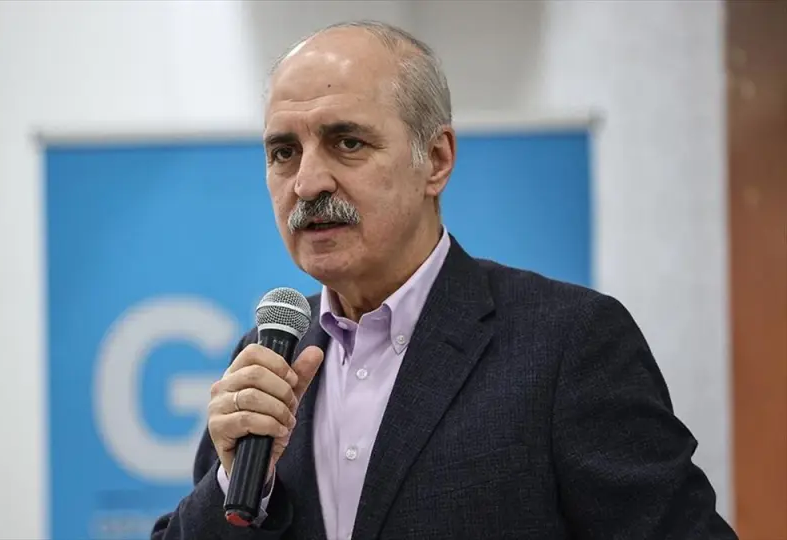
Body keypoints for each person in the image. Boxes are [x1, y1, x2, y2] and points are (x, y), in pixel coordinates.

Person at [151, 20, 737, 540]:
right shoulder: (265, 356)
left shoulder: (567, 343)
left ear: (435, 160)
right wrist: (235, 480)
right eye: (283, 152)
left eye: (347, 142)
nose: (306, 183)